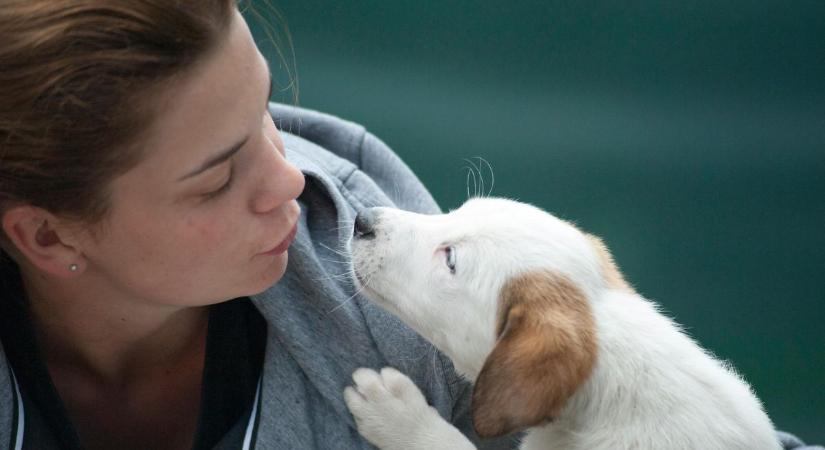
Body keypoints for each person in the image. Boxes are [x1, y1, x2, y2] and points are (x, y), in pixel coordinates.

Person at [0, 2, 818, 450]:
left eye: (265, 114)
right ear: (47, 237)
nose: (291, 177)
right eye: (217, 177)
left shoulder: (403, 341)